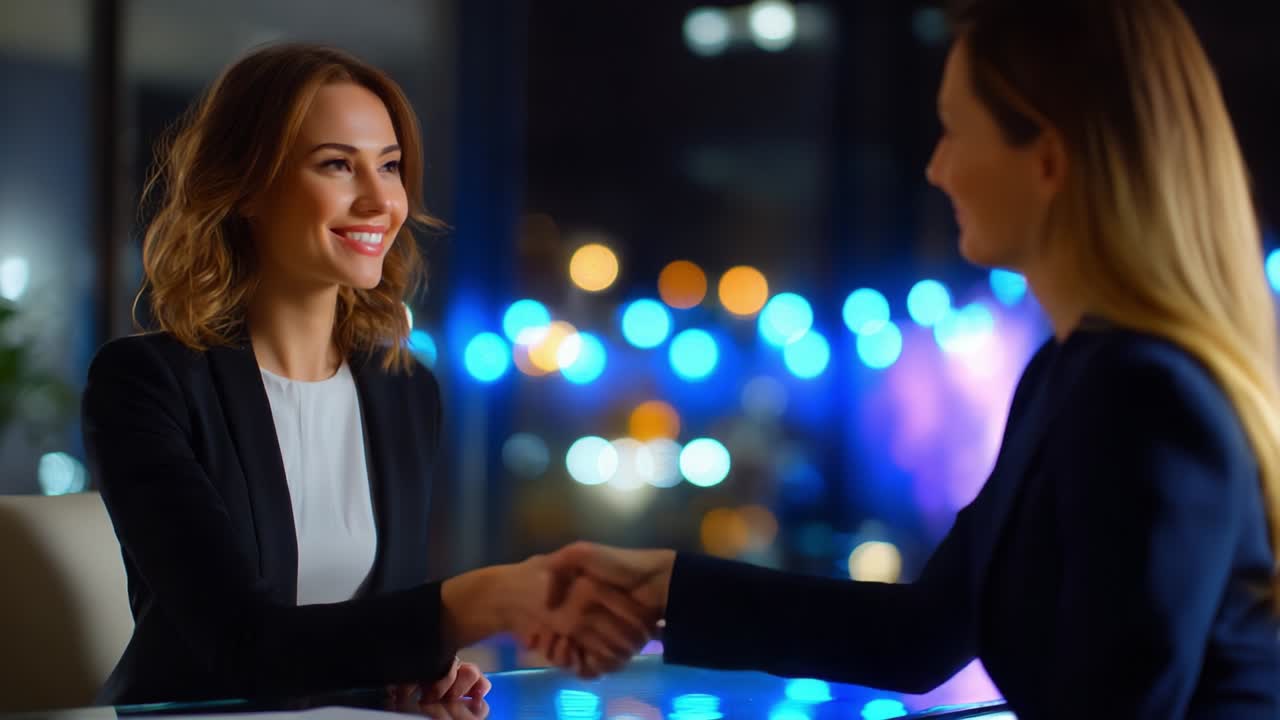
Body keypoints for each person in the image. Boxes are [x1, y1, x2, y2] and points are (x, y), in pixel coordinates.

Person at [534, 1, 1280, 715]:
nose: (935, 168)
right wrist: (666, 587)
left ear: (1048, 159)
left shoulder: (1143, 397)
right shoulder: (1075, 373)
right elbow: (920, 634)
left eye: (954, 131)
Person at [82, 44, 650, 707]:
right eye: (336, 166)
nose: (382, 200)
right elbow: (239, 642)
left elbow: (368, 624)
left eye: (390, 166)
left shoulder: (403, 389)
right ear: (245, 188)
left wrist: (414, 670)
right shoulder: (144, 384)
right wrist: (469, 604)